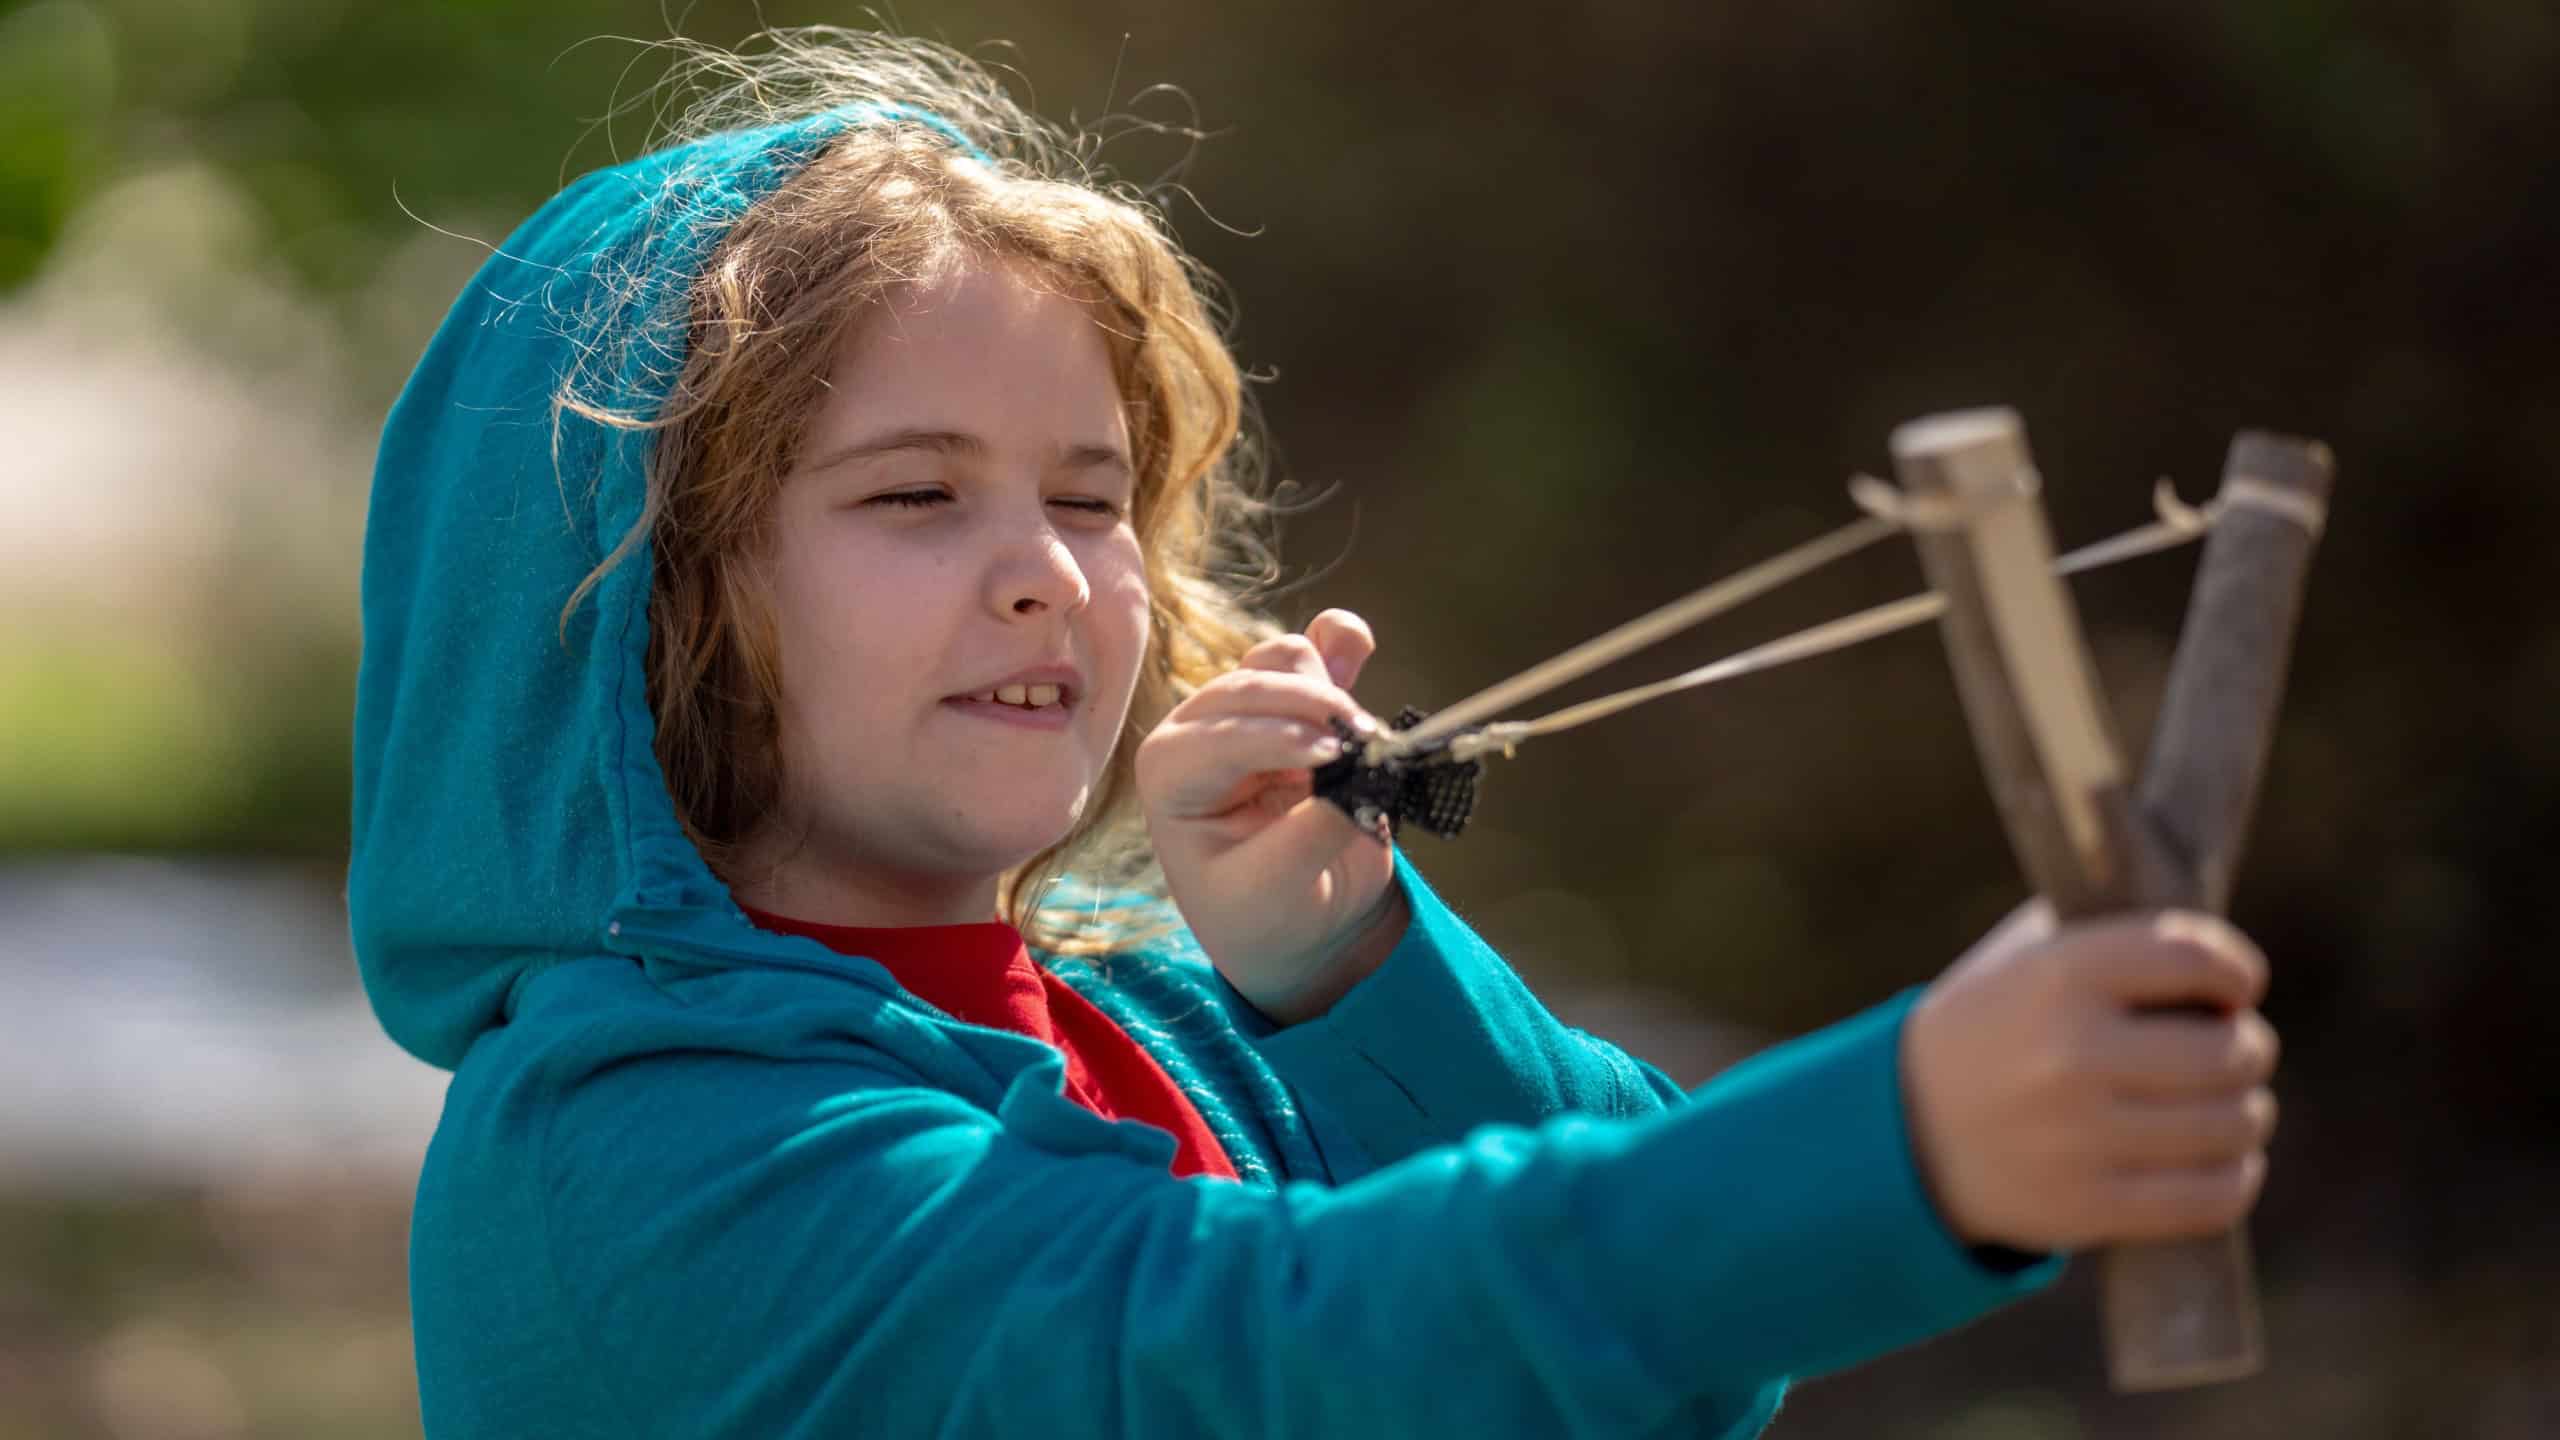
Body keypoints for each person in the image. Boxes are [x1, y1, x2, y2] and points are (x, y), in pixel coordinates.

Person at [350, 30, 2281, 1439]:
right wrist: (1912, 1141)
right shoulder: (633, 1153)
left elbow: (1701, 1380)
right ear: (656, 606)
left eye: (1091, 497)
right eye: (916, 496)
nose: (1047, 576)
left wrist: (1355, 968)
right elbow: (1255, 1357)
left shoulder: (1171, 1009)